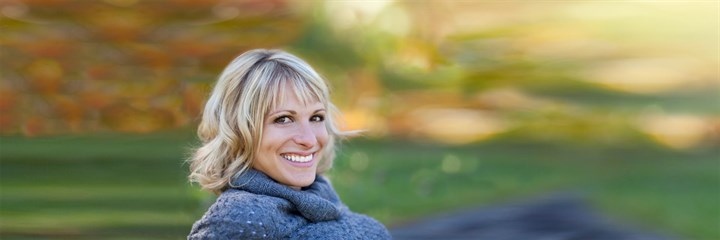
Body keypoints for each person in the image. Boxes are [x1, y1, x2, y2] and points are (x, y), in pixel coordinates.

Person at [186, 49, 391, 239]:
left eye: (316, 117)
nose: (309, 140)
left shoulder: (335, 210)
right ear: (239, 130)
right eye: (283, 119)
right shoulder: (241, 220)